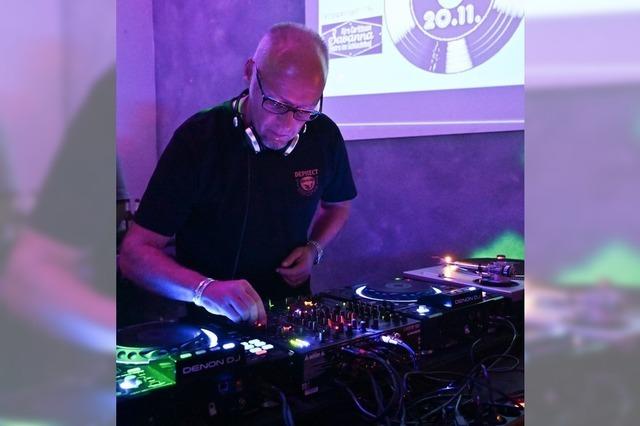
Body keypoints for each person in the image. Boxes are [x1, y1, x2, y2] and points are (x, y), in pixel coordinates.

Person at [119, 23, 357, 326]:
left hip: (290, 317)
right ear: (250, 73)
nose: (288, 125)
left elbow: (338, 206)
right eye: (276, 104)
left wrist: (314, 249)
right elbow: (134, 255)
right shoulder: (198, 139)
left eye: (304, 110)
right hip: (208, 322)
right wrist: (204, 290)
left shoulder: (323, 134)